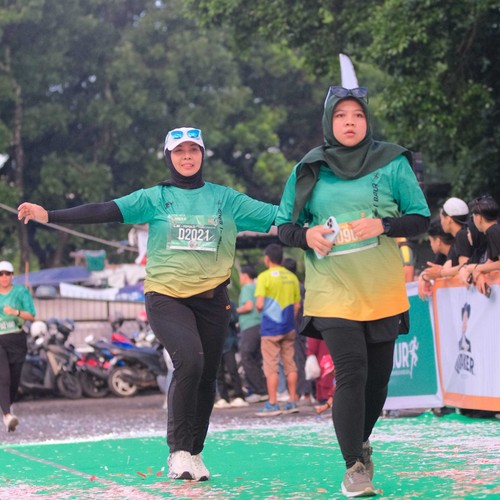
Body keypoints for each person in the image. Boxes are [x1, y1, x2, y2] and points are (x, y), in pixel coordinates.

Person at [17, 126, 277, 481]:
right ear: (169, 157)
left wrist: (315, 219)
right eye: (179, 151)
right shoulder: (155, 198)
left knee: (207, 377)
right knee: (190, 362)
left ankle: (195, 452)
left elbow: (277, 216)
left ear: (202, 155)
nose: (187, 156)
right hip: (166, 297)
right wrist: (50, 215)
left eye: (193, 150)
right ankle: (178, 452)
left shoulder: (225, 199)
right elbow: (104, 210)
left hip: (213, 300)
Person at [275, 85, 430, 497]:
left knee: (377, 382)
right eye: (341, 115)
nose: (350, 122)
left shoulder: (392, 163)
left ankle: (360, 441)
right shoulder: (310, 167)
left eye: (357, 115)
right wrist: (307, 236)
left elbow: (420, 219)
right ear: (329, 122)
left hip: (381, 290)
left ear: (366, 120)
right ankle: (354, 467)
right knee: (352, 371)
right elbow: (285, 226)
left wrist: (384, 224)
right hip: (332, 290)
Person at [254, 244, 301, 416]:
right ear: (282, 258)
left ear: (267, 259)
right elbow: (297, 305)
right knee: (290, 363)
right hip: (288, 327)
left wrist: (263, 310)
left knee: (271, 366)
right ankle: (292, 401)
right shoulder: (292, 277)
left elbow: (259, 304)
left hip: (270, 328)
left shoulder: (264, 277)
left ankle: (273, 403)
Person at [0, 261, 36, 432]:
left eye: (7, 273)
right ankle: (7, 415)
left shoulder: (21, 292)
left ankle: (7, 405)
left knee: (14, 380)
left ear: (12, 275)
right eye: (0, 274)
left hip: (16, 339)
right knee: (3, 377)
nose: (4, 277)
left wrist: (15, 312)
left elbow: (32, 316)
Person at [235, 265, 268, 403]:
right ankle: (263, 390)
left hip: (250, 326)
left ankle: (260, 391)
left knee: (246, 357)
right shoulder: (256, 286)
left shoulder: (247, 288)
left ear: (245, 275)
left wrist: (235, 311)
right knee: (256, 359)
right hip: (260, 325)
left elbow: (249, 306)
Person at [422, 197, 472, 282]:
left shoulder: (462, 235)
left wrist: (441, 272)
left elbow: (465, 268)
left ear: (448, 219)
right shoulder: (457, 240)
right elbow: (447, 267)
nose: (441, 222)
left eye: (442, 218)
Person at [461, 195, 500, 296]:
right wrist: (478, 272)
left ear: (479, 218)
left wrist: (476, 267)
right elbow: (490, 261)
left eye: (473, 216)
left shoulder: (493, 232)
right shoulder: (493, 231)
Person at [213, 301, 249, 408]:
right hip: (215, 344)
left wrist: (223, 313)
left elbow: (234, 318)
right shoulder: (209, 304)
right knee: (218, 373)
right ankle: (223, 397)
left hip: (228, 342)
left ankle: (239, 395)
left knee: (232, 369)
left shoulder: (228, 304)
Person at [417, 218, 455, 300]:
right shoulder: (441, 255)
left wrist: (424, 277)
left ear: (438, 241)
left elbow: (441, 270)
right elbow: (431, 271)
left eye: (430, 240)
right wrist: (423, 276)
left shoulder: (456, 250)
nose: (430, 244)